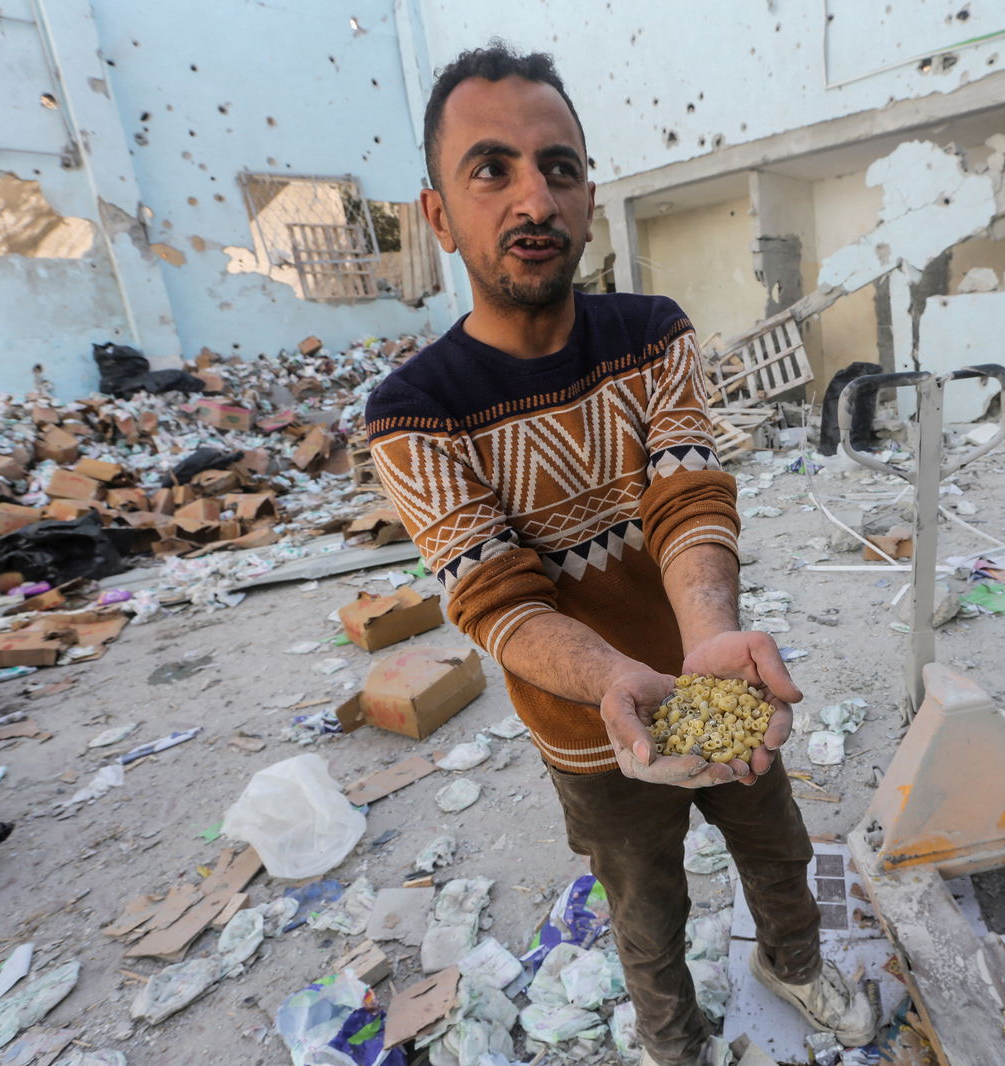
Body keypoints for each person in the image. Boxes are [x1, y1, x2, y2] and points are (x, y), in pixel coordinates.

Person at [364, 41, 874, 1066]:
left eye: (559, 168)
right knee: (646, 905)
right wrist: (615, 681)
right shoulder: (413, 410)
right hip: (588, 731)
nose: (532, 199)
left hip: (705, 673)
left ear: (589, 194)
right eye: (490, 169)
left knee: (777, 849)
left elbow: (687, 498)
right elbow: (494, 599)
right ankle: (672, 1043)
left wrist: (710, 644)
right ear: (436, 215)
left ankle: (793, 963)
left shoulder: (652, 333)